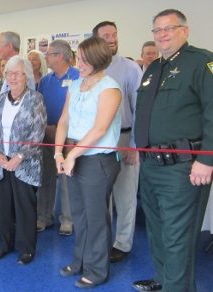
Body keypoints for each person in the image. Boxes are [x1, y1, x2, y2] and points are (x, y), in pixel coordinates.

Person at [133, 9, 213, 292]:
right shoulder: (154, 68)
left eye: (170, 28)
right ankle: (166, 281)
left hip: (184, 168)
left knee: (179, 237)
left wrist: (207, 157)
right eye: (157, 30)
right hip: (151, 165)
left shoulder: (202, 62)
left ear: (185, 31)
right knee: (157, 232)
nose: (162, 34)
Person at [55, 36, 121, 289]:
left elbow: (100, 128)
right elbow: (63, 121)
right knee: (78, 215)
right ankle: (80, 260)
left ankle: (97, 270)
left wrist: (71, 155)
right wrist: (58, 153)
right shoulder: (76, 85)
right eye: (77, 57)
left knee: (96, 218)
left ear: (96, 59)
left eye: (82, 59)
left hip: (97, 161)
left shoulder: (110, 88)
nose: (77, 63)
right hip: (73, 156)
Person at [0, 55, 46, 265]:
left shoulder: (35, 99)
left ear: (27, 76)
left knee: (24, 207)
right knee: (3, 206)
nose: (12, 78)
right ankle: (4, 245)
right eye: (9, 73)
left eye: (17, 73)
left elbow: (37, 133)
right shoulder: (0, 100)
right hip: (1, 162)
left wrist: (19, 156)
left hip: (25, 164)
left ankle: (27, 249)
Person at [93, 21, 142, 262]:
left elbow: (140, 110)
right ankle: (103, 240)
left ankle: (122, 243)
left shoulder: (131, 69)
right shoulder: (91, 70)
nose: (111, 39)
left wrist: (134, 146)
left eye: (114, 35)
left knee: (124, 196)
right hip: (97, 141)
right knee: (102, 196)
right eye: (105, 36)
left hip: (124, 138)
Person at [0, 31, 35, 228]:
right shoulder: (5, 73)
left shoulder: (23, 69)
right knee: (1, 186)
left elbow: (31, 108)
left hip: (20, 146)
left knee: (20, 194)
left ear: (9, 46)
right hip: (1, 142)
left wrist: (20, 154)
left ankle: (17, 228)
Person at [37, 39, 79, 236]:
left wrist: (62, 129)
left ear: (60, 56)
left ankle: (68, 219)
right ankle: (44, 216)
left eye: (48, 54)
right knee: (46, 177)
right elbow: (39, 107)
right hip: (47, 135)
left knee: (66, 178)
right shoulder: (45, 81)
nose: (45, 57)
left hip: (70, 138)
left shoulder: (79, 77)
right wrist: (47, 128)